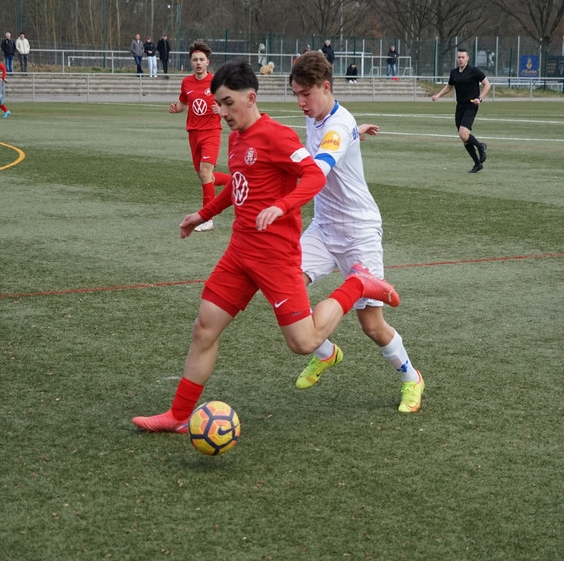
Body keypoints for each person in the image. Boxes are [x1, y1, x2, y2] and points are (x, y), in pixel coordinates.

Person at [132, 60, 400, 432]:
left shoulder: (278, 136)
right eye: (218, 104)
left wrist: (282, 205)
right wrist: (203, 213)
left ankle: (358, 284)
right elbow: (238, 185)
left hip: (276, 258)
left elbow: (314, 176)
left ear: (250, 97)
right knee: (204, 328)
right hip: (239, 253)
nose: (222, 112)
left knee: (304, 343)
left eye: (228, 103)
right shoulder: (236, 138)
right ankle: (178, 415)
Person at [288, 51, 424, 413]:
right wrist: (356, 130)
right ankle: (325, 352)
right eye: (296, 95)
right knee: (284, 286)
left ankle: (411, 378)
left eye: (306, 94)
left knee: (372, 325)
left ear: (325, 87)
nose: (300, 103)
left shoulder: (336, 125)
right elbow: (338, 132)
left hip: (359, 232)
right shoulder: (323, 117)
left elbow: (321, 165)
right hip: (323, 228)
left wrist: (285, 200)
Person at [169, 40, 228, 232]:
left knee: (205, 173)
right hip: (193, 133)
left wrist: (221, 109)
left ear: (207, 62)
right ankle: (236, 181)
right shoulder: (186, 82)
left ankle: (207, 218)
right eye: (195, 60)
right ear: (191, 62)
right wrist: (176, 108)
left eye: (202, 59)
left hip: (212, 132)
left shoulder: (216, 81)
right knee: (206, 176)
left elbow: (229, 102)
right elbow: (183, 103)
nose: (198, 63)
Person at [430, 48, 491, 173]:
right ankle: (477, 164)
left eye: (463, 57)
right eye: (459, 57)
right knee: (464, 138)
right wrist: (438, 95)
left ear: (467, 58)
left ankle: (481, 146)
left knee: (463, 134)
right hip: (460, 107)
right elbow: (449, 86)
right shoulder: (454, 73)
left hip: (471, 105)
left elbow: (487, 84)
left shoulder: (474, 71)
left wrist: (480, 98)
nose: (460, 59)